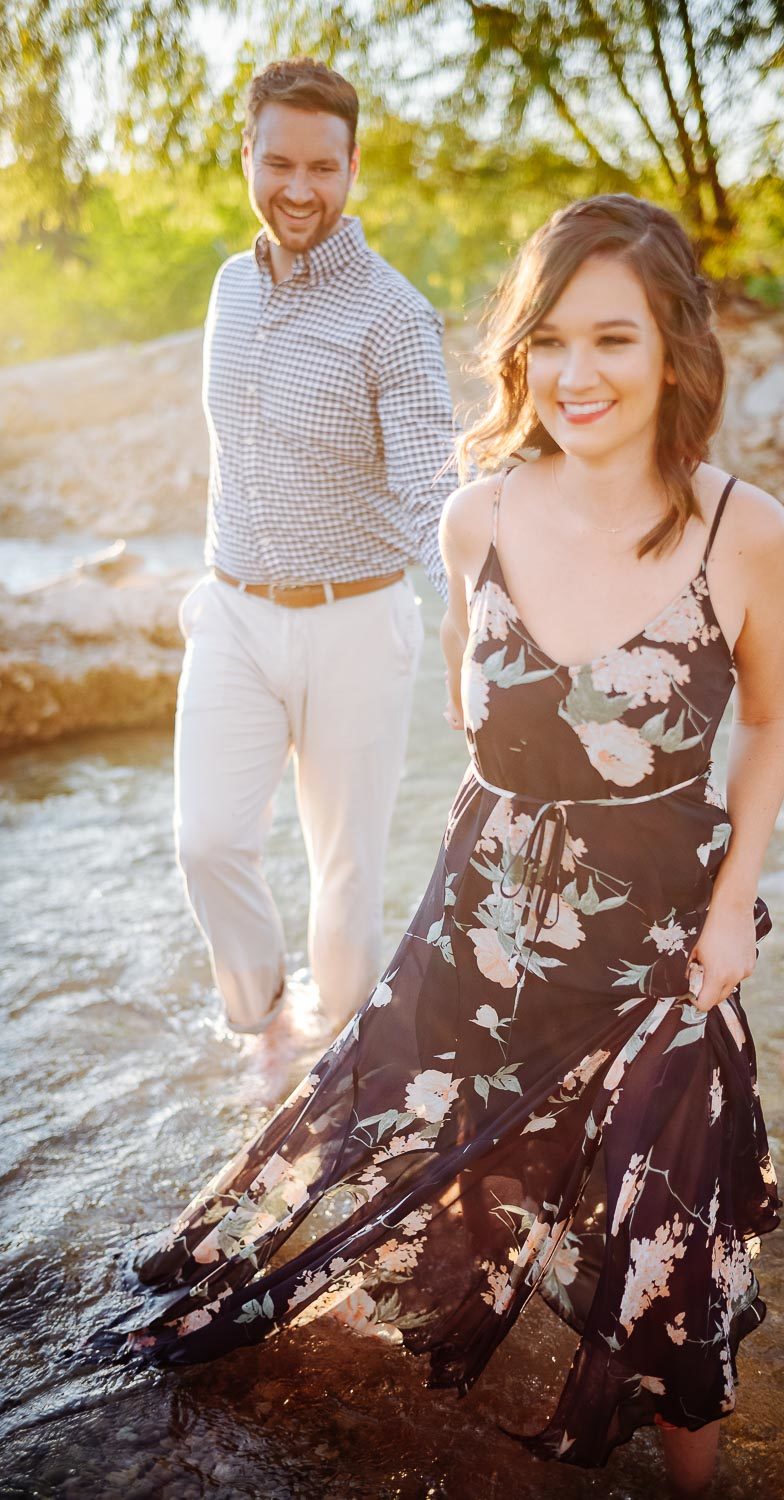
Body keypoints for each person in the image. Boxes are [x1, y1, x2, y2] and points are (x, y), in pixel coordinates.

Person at [108, 195, 784, 1498]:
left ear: (674, 356)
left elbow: (768, 724)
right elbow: (475, 731)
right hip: (482, 915)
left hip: (664, 945)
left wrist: (731, 910)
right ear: (519, 353)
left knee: (666, 1233)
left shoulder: (740, 532)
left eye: (615, 340)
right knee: (420, 1168)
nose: (578, 375)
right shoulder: (472, 520)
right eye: (551, 341)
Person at [174, 57, 456, 1039]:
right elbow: (232, 451)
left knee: (344, 879)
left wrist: (472, 611)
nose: (299, 189)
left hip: (357, 622)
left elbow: (432, 486)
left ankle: (337, 1077)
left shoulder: (393, 315)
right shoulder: (226, 290)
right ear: (245, 155)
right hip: (232, 615)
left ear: (352, 165)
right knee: (207, 843)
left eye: (322, 168)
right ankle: (256, 1037)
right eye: (278, 162)